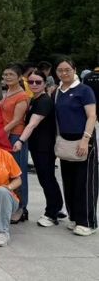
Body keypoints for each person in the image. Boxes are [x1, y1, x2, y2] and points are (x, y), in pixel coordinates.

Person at [12, 70, 64, 226]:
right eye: (31, 82)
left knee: (46, 178)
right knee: (47, 178)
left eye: (38, 82)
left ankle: (51, 214)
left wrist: (20, 140)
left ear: (45, 83)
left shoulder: (44, 101)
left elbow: (32, 124)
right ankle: (57, 207)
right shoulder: (34, 99)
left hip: (44, 147)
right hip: (36, 146)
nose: (34, 84)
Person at [54, 58, 98, 236]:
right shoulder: (58, 91)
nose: (64, 73)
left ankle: (87, 222)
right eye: (60, 70)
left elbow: (92, 116)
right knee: (69, 181)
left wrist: (85, 140)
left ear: (74, 70)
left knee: (84, 182)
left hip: (83, 140)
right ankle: (74, 217)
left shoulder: (84, 90)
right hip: (66, 142)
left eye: (67, 69)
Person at [0, 63, 29, 223]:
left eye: (11, 74)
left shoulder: (22, 95)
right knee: (8, 173)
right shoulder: (9, 92)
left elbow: (17, 119)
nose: (7, 77)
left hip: (15, 137)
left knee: (18, 172)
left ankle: (21, 208)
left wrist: (0, 132)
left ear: (19, 77)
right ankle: (13, 204)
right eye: (5, 74)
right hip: (6, 136)